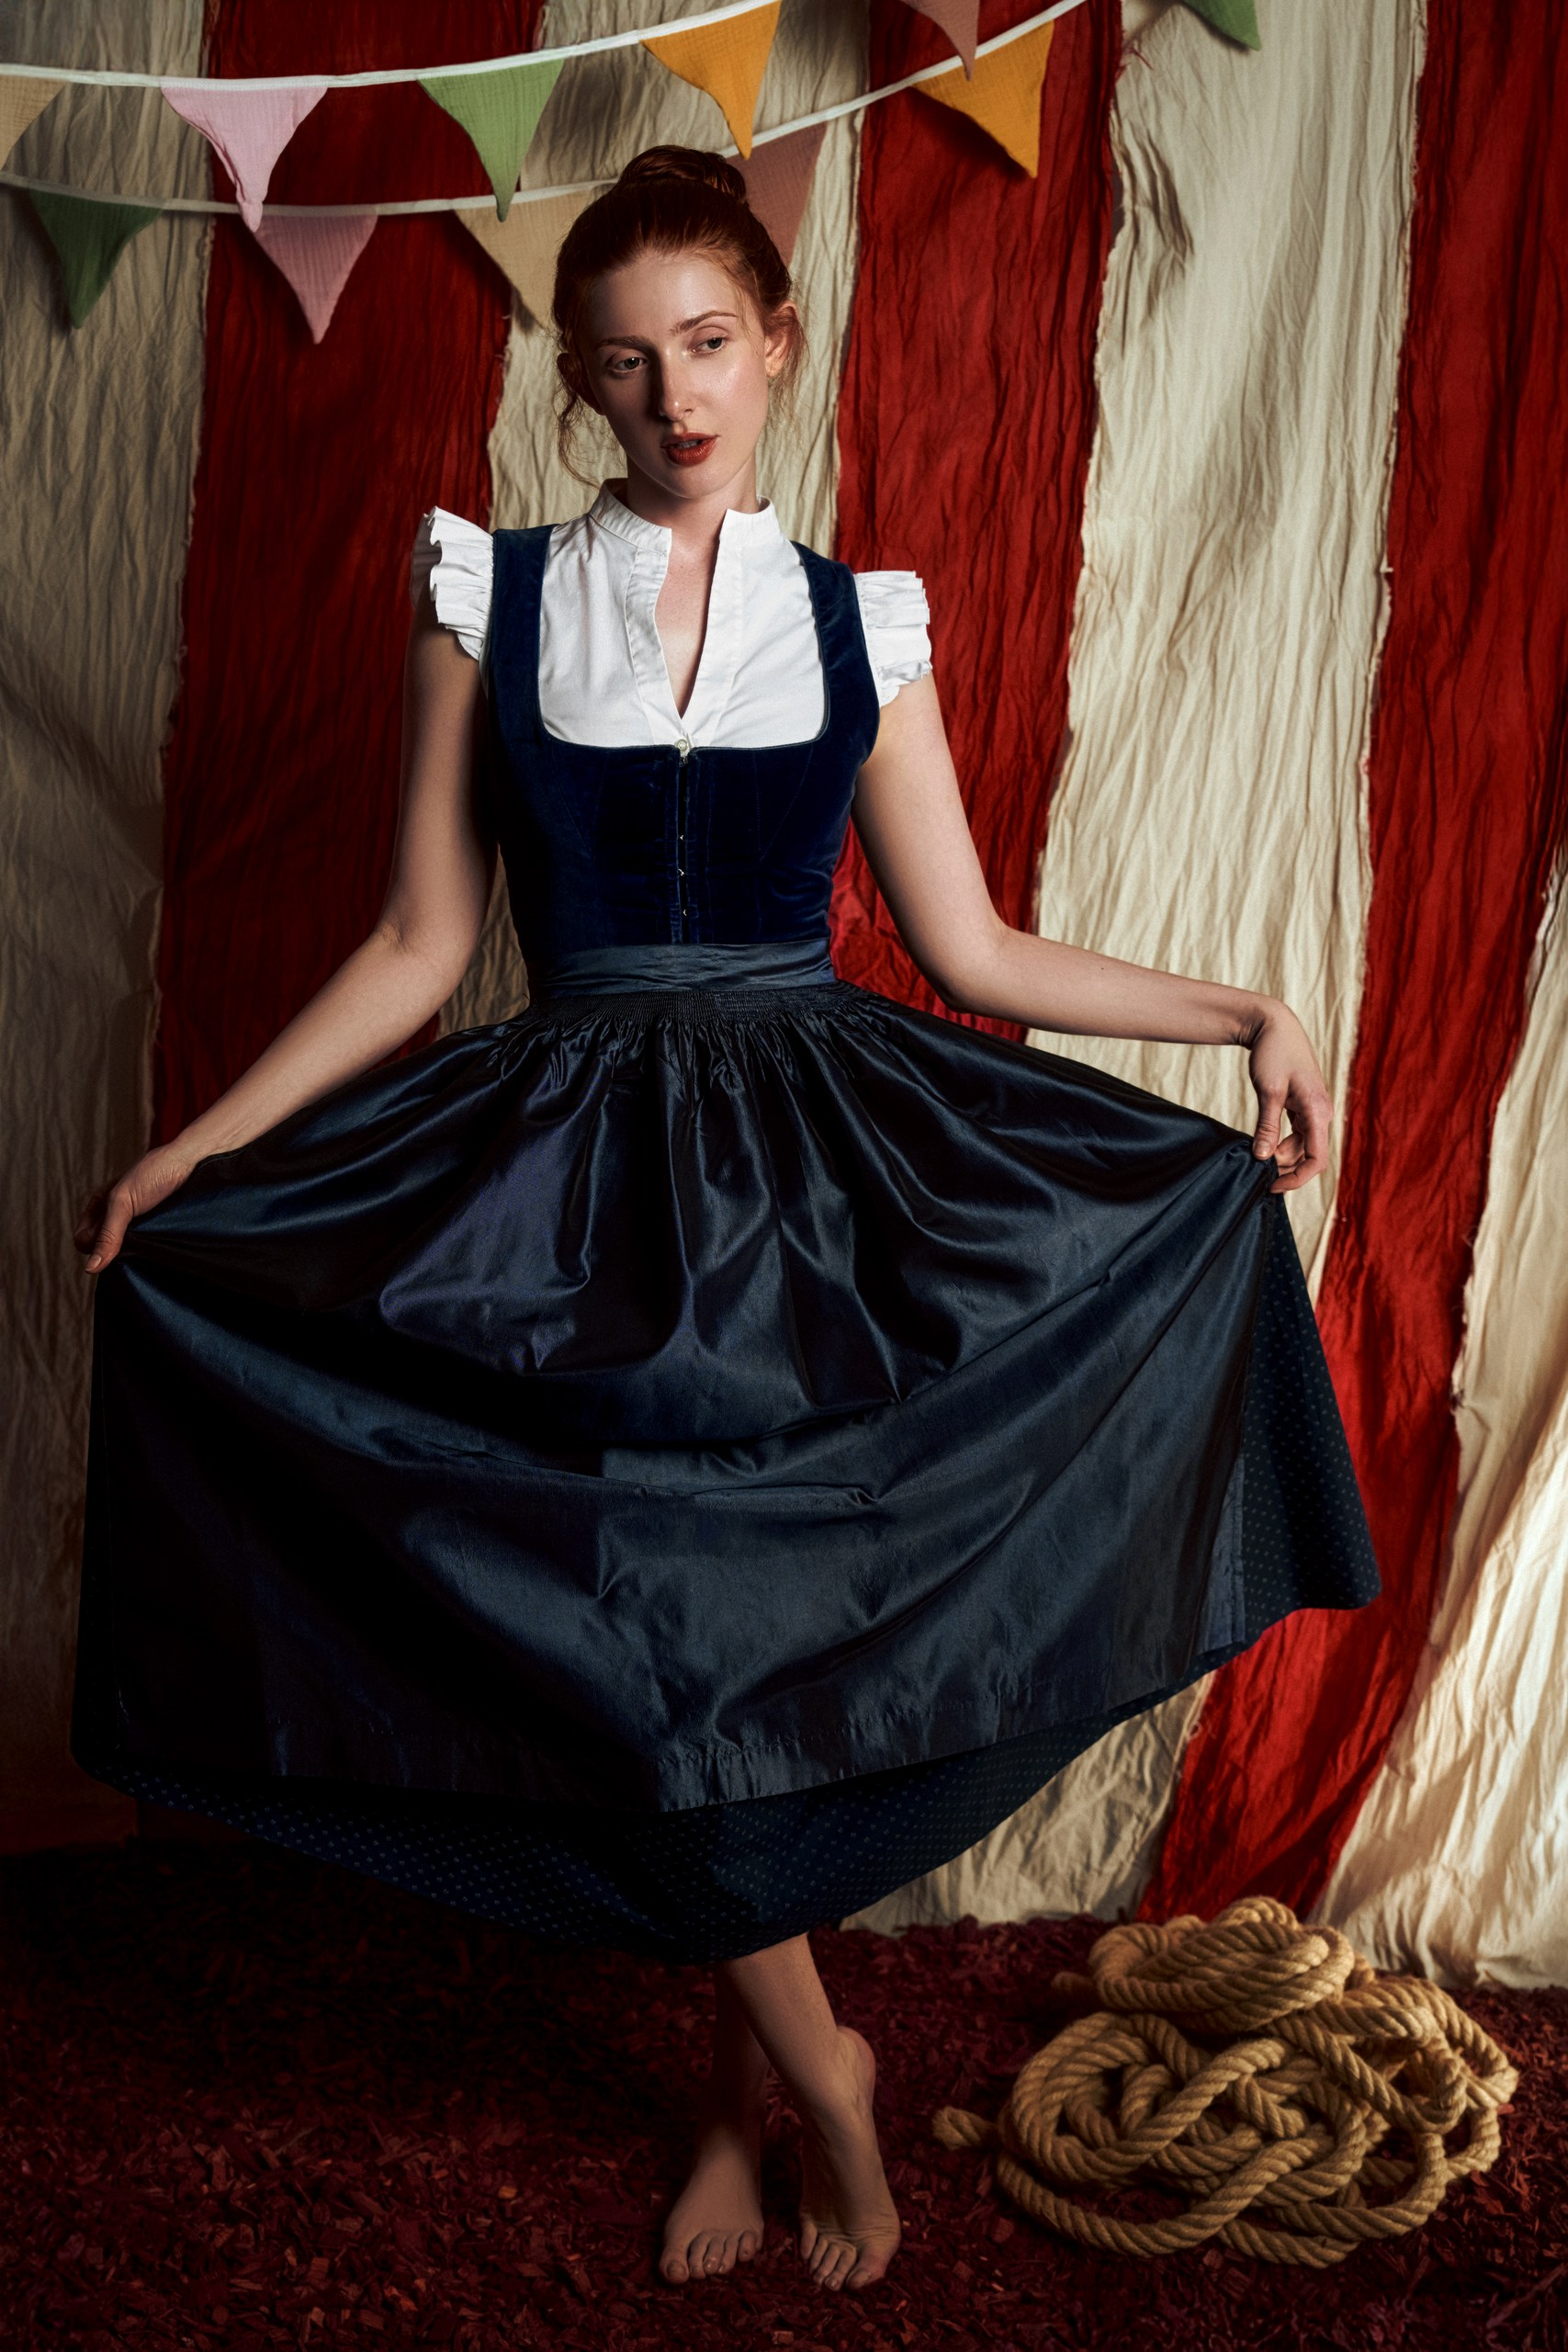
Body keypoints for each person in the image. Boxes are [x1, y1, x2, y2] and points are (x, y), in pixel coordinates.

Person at [72, 147, 1379, 2298]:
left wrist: (1251, 1007)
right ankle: (818, 2070)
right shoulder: (485, 595)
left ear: (777, 342)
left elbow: (969, 948)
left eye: (706, 346)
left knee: (756, 1641)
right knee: (634, 1647)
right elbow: (421, 945)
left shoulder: (860, 619)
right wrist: (194, 1151)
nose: (672, 398)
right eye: (620, 365)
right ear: (572, 385)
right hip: (564, 1183)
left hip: (814, 1177)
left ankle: (731, 2084)